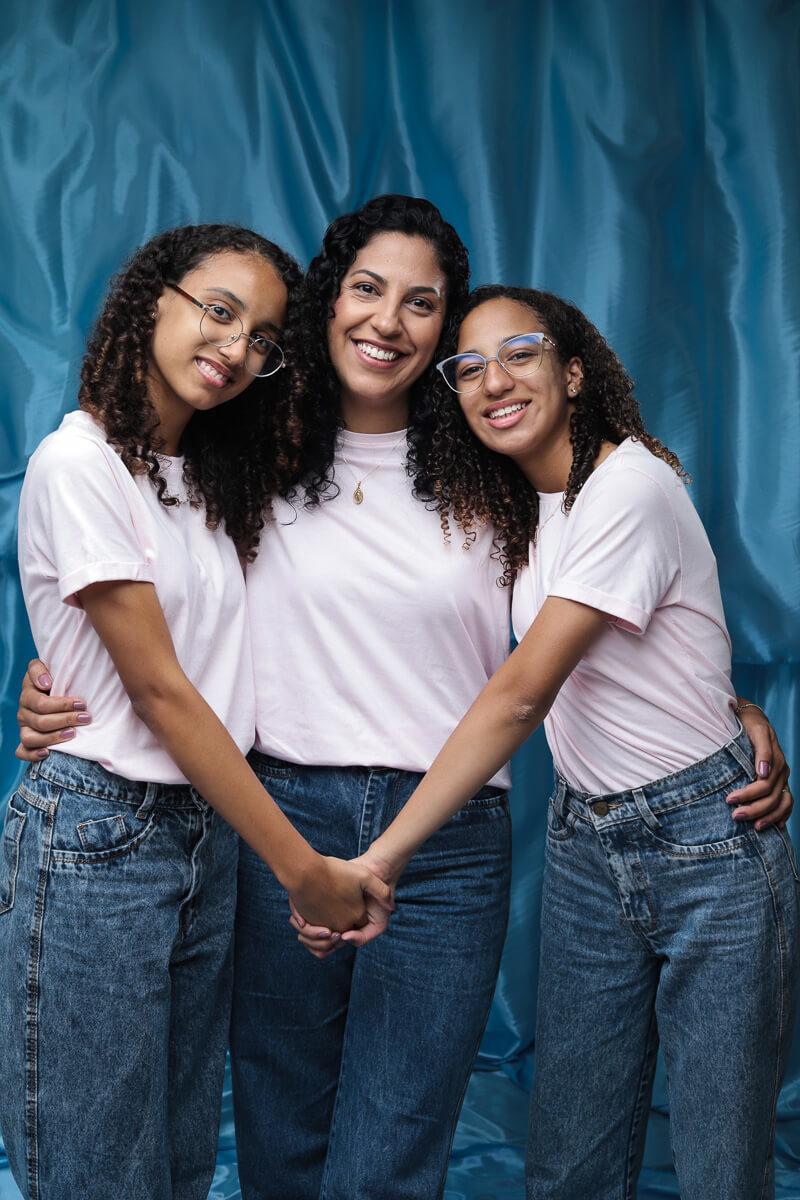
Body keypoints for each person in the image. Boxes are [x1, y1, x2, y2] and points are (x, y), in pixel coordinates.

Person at [14, 211, 789, 1200]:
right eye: (366, 289)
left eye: (421, 303)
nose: (388, 320)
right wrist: (62, 680)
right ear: (326, 304)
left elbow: (605, 598)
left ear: (445, 335)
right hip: (276, 817)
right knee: (279, 1145)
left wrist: (721, 715)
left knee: (394, 1152)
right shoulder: (246, 457)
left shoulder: (493, 459)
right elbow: (157, 599)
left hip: (445, 842)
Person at [328, 285, 797, 1200]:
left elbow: (519, 697)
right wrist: (736, 703)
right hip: (588, 847)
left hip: (709, 843)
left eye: (520, 354)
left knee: (719, 1166)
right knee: (569, 1161)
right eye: (468, 367)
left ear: (575, 372)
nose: (493, 381)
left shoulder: (629, 486)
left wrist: (379, 859)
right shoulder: (524, 507)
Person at [0, 224, 392, 1200]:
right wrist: (302, 870)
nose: (236, 347)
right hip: (100, 838)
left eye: (262, 338)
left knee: (178, 1163)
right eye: (219, 311)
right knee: (95, 1169)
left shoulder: (210, 479)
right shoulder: (79, 463)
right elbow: (161, 691)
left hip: (202, 839)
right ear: (151, 300)